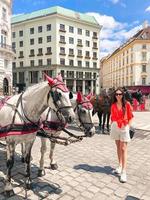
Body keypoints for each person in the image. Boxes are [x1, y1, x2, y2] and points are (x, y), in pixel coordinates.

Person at [110, 87, 134, 183]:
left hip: (124, 126)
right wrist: (112, 124)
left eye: (120, 94)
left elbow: (131, 117)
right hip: (115, 126)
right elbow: (112, 117)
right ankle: (119, 165)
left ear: (123, 95)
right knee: (118, 147)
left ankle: (124, 171)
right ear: (115, 96)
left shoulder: (127, 104)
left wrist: (128, 125)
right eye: (117, 94)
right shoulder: (113, 105)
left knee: (123, 148)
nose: (118, 96)